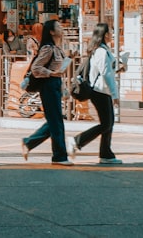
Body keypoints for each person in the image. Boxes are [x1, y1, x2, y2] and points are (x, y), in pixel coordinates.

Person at [21, 19, 73, 166]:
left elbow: (58, 72)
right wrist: (50, 74)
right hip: (48, 86)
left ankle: (29, 143)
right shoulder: (48, 48)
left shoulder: (58, 48)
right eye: (58, 26)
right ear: (51, 31)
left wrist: (63, 88)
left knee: (54, 121)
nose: (61, 28)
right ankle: (59, 156)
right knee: (56, 122)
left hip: (55, 84)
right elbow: (36, 68)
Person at [69, 23, 121, 165]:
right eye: (110, 32)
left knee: (108, 123)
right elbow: (106, 74)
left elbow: (107, 71)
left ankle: (106, 154)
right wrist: (115, 95)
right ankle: (77, 141)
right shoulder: (101, 52)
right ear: (105, 35)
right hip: (100, 91)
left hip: (102, 91)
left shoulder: (102, 50)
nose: (112, 35)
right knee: (106, 124)